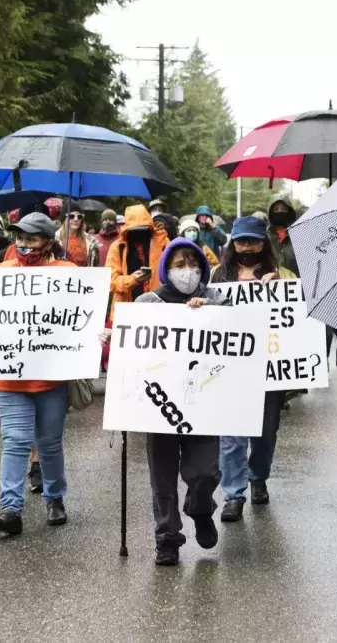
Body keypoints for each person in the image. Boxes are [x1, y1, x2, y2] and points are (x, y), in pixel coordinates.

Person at [134, 237, 230, 566]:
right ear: (166, 269)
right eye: (179, 264)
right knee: (162, 477)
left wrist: (208, 315)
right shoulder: (148, 302)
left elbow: (237, 337)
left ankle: (201, 509)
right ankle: (167, 537)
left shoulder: (216, 299)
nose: (186, 271)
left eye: (192, 263)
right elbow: (131, 342)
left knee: (205, 472)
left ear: (202, 268)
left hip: (203, 404)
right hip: (159, 405)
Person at [0, 213, 76, 536]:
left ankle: (55, 498)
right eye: (19, 238)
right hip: (9, 378)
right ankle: (11, 509)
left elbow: (80, 318)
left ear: (48, 242)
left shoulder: (67, 274)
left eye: (31, 239)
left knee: (49, 443)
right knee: (15, 440)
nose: (23, 245)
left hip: (50, 379)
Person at [210, 217, 296, 523]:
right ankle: (233, 494)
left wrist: (281, 289)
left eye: (254, 241)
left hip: (269, 369)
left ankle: (258, 476)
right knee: (231, 435)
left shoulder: (282, 274)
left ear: (264, 244)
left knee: (265, 432)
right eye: (242, 241)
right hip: (230, 369)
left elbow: (297, 313)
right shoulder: (217, 276)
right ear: (232, 244)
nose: (247, 247)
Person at [105, 205, 170, 318]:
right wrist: (132, 279)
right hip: (126, 310)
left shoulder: (163, 243)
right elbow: (110, 280)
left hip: (157, 308)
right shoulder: (118, 247)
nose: (139, 234)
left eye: (143, 230)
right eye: (135, 231)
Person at [267, 197, 299, 275]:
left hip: (296, 283)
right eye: (276, 209)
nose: (280, 211)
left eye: (284, 209)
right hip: (271, 283)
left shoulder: (298, 236)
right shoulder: (265, 238)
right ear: (270, 213)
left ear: (289, 212)